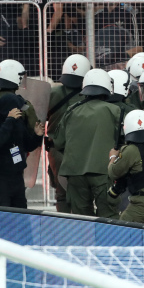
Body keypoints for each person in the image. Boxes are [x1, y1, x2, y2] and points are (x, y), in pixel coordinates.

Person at [53, 69, 123, 218]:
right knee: (109, 217)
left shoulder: (71, 110)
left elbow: (58, 142)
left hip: (74, 172)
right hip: (103, 172)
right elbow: (123, 141)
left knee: (82, 220)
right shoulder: (115, 110)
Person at [0, 93, 45, 208]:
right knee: (1, 216)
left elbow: (28, 145)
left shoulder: (18, 123)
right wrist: (9, 120)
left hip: (16, 178)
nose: (21, 112)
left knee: (20, 214)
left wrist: (37, 136)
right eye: (18, 110)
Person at [46, 53, 90, 213]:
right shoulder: (90, 95)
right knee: (83, 194)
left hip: (56, 152)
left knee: (61, 193)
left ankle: (64, 228)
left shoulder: (52, 93)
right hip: (83, 152)